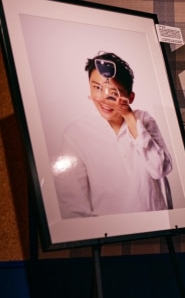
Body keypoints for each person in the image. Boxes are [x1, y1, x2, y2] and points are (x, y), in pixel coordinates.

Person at [52, 52, 173, 218]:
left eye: (115, 92)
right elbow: (73, 205)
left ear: (130, 97)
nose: (105, 98)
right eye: (97, 88)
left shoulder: (144, 120)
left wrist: (129, 116)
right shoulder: (76, 134)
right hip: (108, 229)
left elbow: (160, 169)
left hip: (155, 223)